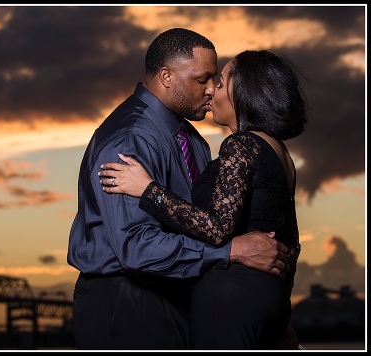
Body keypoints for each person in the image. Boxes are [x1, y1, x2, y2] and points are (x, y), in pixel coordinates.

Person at [66, 28, 288, 350]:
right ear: (167, 77)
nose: (212, 90)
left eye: (215, 79)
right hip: (126, 302)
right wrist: (230, 252)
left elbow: (204, 221)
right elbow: (136, 247)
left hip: (179, 296)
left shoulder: (192, 138)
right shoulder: (131, 139)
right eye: (202, 80)